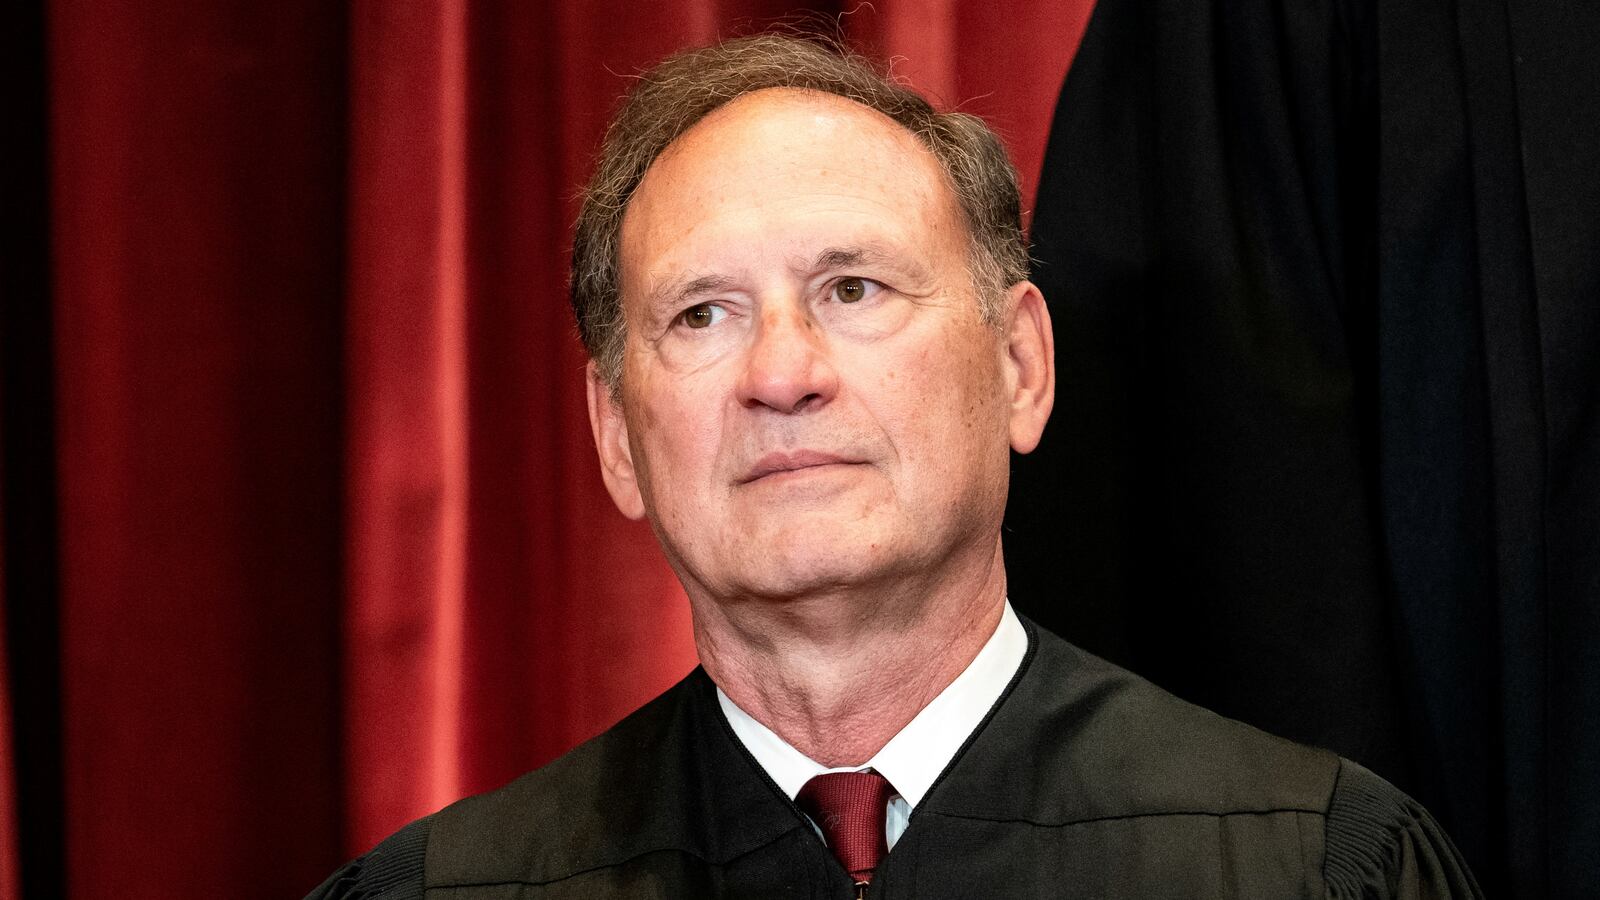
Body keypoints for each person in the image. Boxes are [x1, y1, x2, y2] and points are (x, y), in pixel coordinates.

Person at [308, 34, 1481, 899]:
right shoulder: (445, 893)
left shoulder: (1314, 865)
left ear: (1019, 365)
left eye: (851, 289)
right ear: (617, 436)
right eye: (705, 314)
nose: (782, 372)